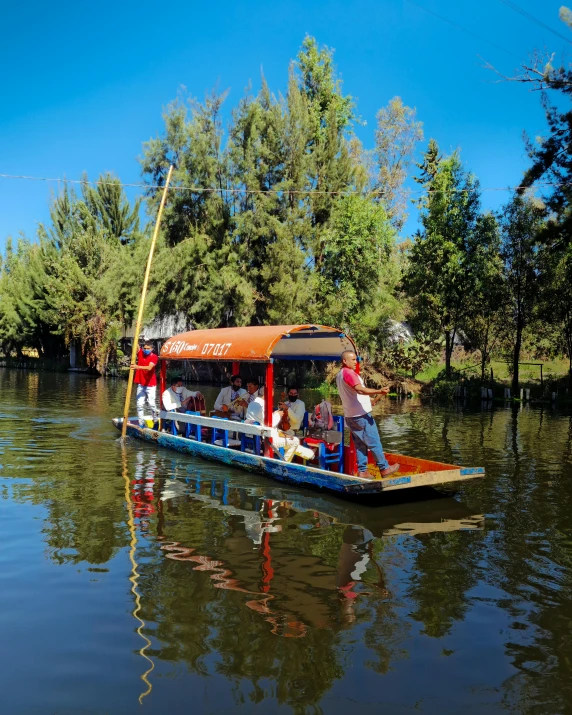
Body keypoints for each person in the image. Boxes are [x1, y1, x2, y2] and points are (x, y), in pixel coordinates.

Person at [336, 350, 399, 479]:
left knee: (360, 444)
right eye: (353, 360)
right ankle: (384, 468)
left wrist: (373, 398)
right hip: (360, 416)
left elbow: (352, 394)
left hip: (350, 416)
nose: (356, 362)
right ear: (344, 361)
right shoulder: (349, 373)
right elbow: (360, 390)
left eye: (356, 359)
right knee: (374, 441)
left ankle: (363, 471)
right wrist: (378, 390)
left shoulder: (340, 374)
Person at [244, 385, 315, 463]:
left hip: (258, 434)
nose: (273, 396)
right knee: (295, 441)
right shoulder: (263, 406)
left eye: (295, 393)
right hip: (266, 438)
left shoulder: (252, 403)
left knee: (292, 440)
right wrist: (277, 415)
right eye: (272, 394)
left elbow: (296, 419)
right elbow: (270, 424)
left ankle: (309, 454)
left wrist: (278, 413)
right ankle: (284, 463)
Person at [131, 340, 158, 428]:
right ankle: (141, 423)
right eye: (145, 348)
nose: (146, 350)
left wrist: (137, 367)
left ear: (152, 349)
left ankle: (156, 420)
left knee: (151, 403)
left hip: (150, 384)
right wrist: (135, 336)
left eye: (148, 348)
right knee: (139, 404)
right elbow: (136, 346)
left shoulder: (154, 357)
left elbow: (149, 368)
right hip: (141, 383)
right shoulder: (141, 353)